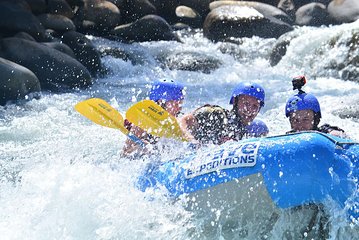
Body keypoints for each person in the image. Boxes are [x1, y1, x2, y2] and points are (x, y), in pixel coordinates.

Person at [180, 82, 267, 145]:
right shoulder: (217, 115)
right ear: (235, 102)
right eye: (246, 104)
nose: (250, 110)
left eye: (255, 106)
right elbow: (185, 120)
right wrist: (191, 141)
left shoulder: (254, 130)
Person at [122, 79, 185, 157]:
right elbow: (124, 153)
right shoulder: (143, 123)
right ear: (160, 102)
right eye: (175, 104)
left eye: (180, 103)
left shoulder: (179, 120)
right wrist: (141, 148)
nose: (179, 108)